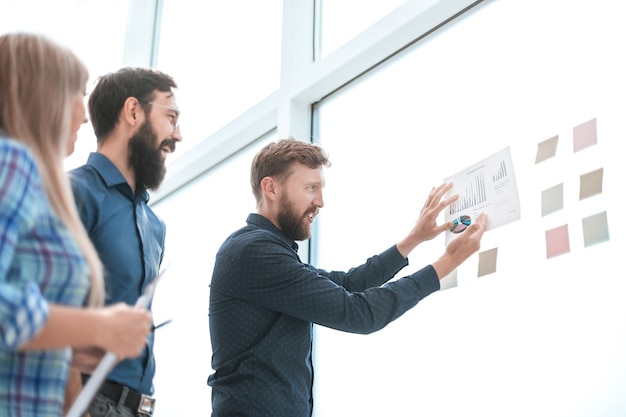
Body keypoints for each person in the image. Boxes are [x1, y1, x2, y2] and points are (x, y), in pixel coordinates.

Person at [207, 138, 488, 417]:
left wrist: (412, 239)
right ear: (271, 188)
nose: (320, 201)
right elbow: (359, 313)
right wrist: (445, 264)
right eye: (310, 188)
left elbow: (349, 284)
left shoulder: (269, 252)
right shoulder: (254, 252)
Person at [0, 32, 153, 417]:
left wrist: (68, 344)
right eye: (78, 94)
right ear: (43, 95)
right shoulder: (10, 163)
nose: (84, 114)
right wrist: (96, 326)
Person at [68, 67, 182, 417]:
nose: (178, 135)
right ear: (133, 111)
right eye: (171, 117)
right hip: (86, 400)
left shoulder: (154, 225)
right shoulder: (71, 194)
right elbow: (51, 301)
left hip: (140, 407)